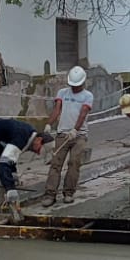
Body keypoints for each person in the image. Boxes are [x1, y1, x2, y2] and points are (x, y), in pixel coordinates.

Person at [40, 66, 94, 206]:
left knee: (74, 164)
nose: (74, 87)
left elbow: (83, 113)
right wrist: (48, 124)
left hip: (79, 135)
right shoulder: (62, 93)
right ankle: (50, 194)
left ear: (82, 82)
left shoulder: (87, 96)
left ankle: (69, 192)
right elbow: (57, 109)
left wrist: (75, 130)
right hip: (62, 134)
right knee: (55, 164)